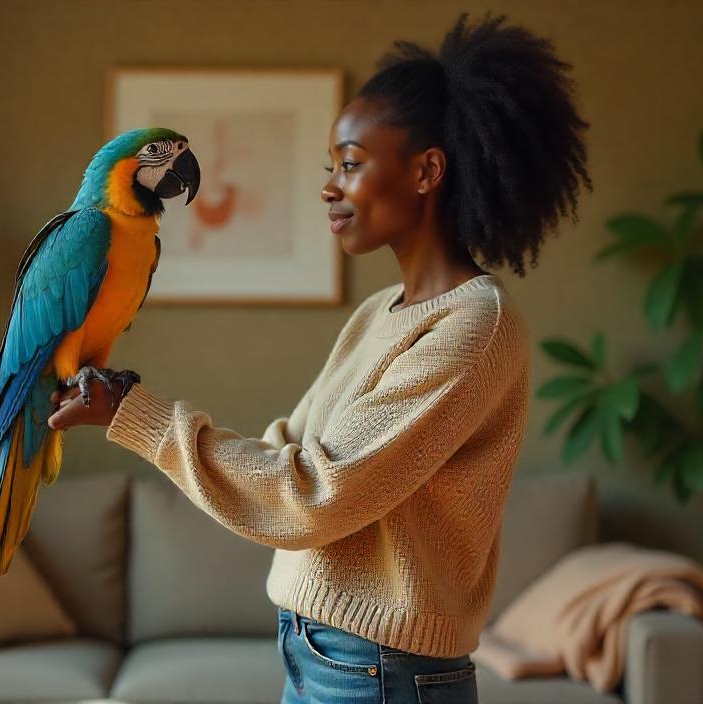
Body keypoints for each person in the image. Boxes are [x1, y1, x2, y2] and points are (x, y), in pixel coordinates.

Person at [47, 12, 591, 704]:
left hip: (381, 671)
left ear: (427, 171)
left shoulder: (475, 328)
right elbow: (289, 455)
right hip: (325, 652)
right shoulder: (379, 316)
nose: (329, 187)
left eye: (351, 165)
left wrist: (138, 418)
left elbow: (311, 497)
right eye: (329, 167)